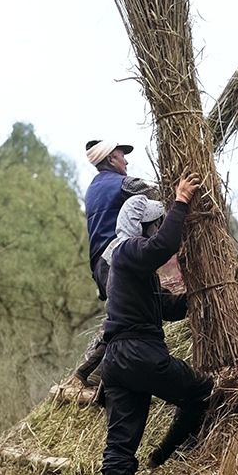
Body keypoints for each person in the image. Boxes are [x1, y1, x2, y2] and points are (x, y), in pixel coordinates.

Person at [98, 174, 213, 475]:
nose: (158, 226)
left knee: (119, 445)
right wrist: (180, 201)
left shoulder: (126, 269)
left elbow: (164, 307)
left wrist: (201, 294)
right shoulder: (129, 249)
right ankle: (166, 451)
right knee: (199, 392)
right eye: (154, 222)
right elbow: (163, 245)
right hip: (139, 353)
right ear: (141, 227)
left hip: (116, 362)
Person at [73, 139, 159, 384]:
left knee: (124, 317)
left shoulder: (92, 190)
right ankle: (84, 375)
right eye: (122, 155)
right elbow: (162, 197)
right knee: (128, 319)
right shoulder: (126, 184)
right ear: (111, 158)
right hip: (117, 260)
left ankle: (95, 374)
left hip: (99, 264)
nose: (127, 161)